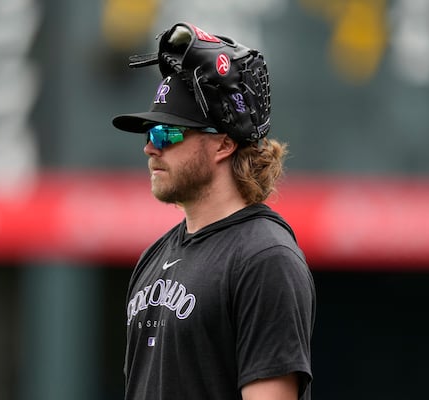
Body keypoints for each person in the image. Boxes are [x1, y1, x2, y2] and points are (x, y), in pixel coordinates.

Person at [112, 22, 316, 400]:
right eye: (150, 133)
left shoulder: (265, 258)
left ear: (223, 144)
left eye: (168, 134)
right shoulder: (152, 259)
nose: (151, 148)